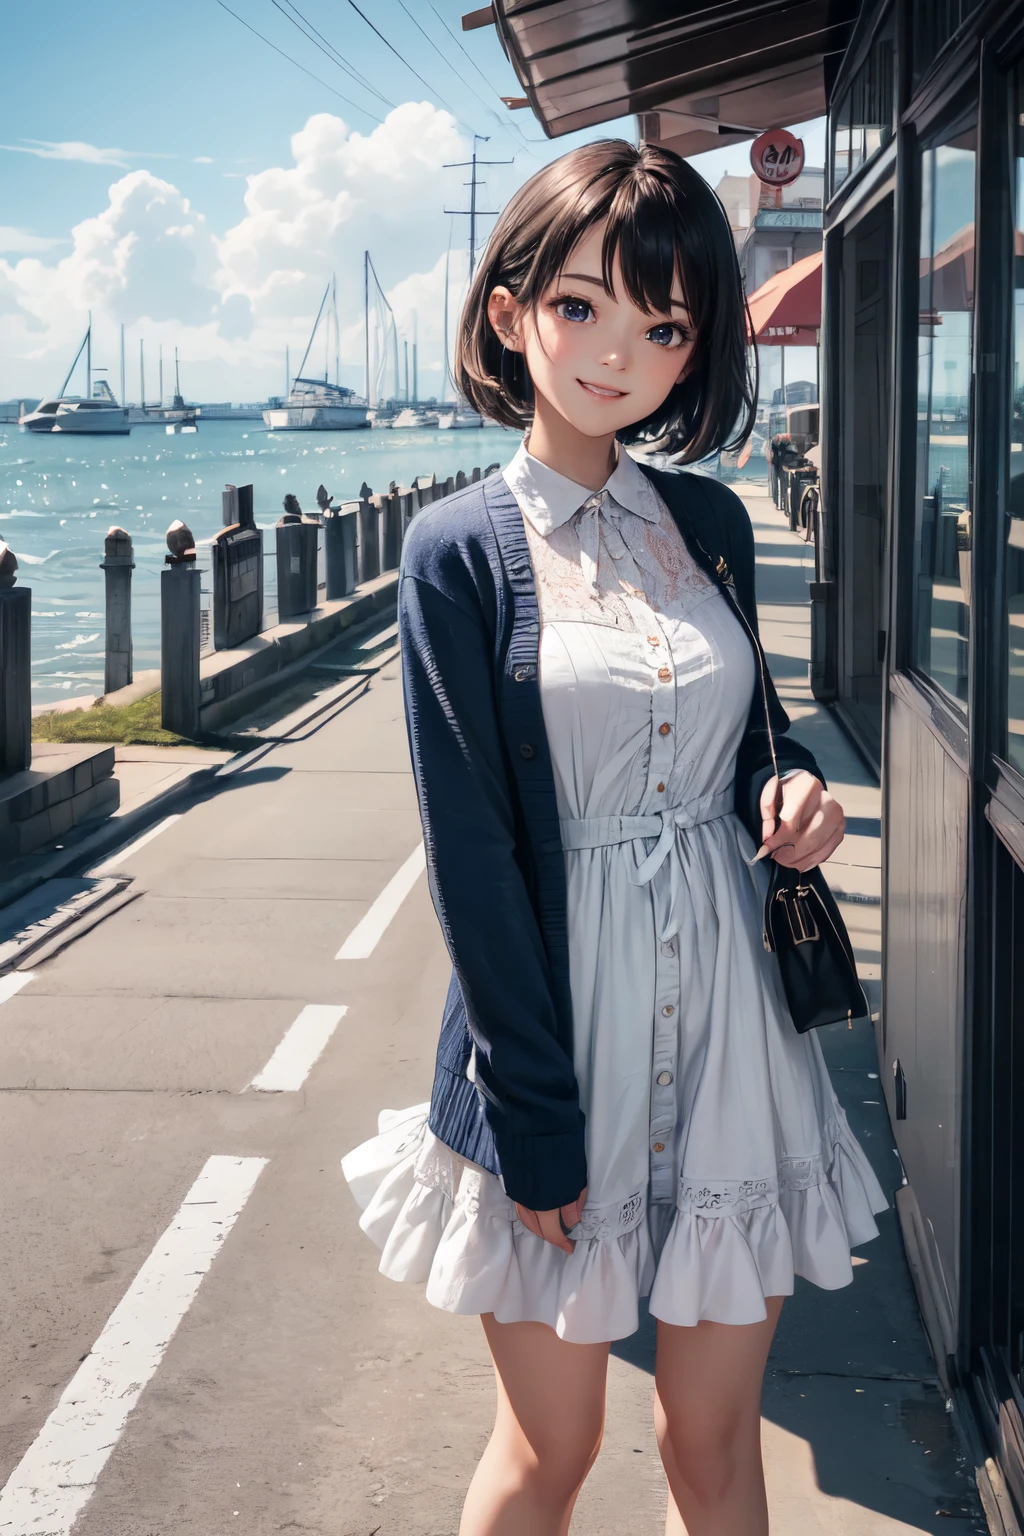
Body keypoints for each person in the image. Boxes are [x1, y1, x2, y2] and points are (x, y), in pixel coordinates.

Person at [342, 139, 887, 1536]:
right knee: (552, 1453)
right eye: (581, 306)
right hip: (556, 1040)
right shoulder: (458, 550)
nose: (617, 355)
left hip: (732, 1042)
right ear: (511, 310)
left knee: (714, 1456)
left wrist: (796, 794)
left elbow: (751, 735)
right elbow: (471, 848)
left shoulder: (705, 522)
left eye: (664, 324)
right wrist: (537, 1120)